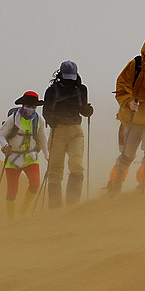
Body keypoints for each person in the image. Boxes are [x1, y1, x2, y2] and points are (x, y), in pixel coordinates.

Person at [107, 35, 145, 195]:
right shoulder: (135, 65)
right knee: (127, 155)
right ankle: (114, 184)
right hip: (132, 117)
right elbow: (122, 85)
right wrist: (129, 101)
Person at [42, 60, 94, 207]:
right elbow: (46, 112)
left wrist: (88, 111)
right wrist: (52, 120)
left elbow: (83, 110)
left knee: (76, 165)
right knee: (55, 170)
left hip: (75, 131)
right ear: (61, 75)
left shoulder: (82, 89)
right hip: (58, 131)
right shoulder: (52, 90)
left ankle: (73, 205)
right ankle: (55, 207)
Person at [0, 91, 49, 219]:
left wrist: (47, 155)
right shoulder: (13, 118)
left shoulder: (39, 120)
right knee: (12, 190)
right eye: (28, 105)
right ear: (23, 105)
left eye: (33, 107)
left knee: (35, 184)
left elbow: (42, 137)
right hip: (13, 158)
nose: (30, 109)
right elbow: (2, 135)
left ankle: (24, 211)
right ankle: (11, 218)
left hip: (31, 157)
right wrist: (5, 146)